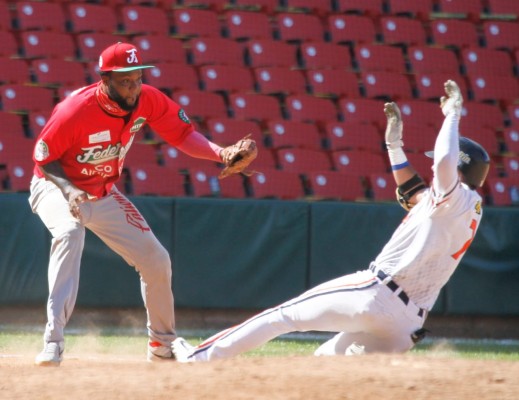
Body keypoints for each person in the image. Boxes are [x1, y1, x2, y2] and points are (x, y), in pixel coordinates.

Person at [172, 80, 491, 362]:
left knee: (282, 316)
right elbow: (413, 193)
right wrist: (394, 148)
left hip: (377, 293)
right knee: (326, 364)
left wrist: (452, 116)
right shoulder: (465, 206)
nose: (434, 171)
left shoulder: (455, 192)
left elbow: (445, 161)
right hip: (407, 323)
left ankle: (197, 359)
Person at [29, 42, 256, 366]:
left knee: (156, 259)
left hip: (102, 192)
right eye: (125, 81)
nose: (134, 87)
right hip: (53, 186)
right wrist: (69, 192)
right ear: (104, 80)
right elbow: (43, 160)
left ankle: (161, 345)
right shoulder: (74, 110)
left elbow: (182, 134)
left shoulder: (146, 99)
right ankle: (53, 342)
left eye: (136, 78)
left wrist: (221, 153)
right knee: (69, 232)